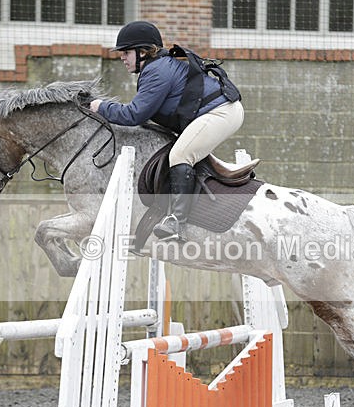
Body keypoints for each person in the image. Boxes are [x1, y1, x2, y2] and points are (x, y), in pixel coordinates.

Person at [89, 21, 244, 242]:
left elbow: (134, 115)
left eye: (125, 52)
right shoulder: (158, 66)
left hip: (221, 113)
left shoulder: (157, 70)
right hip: (218, 111)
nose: (121, 57)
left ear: (142, 52)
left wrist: (101, 107)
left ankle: (177, 222)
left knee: (180, 155)